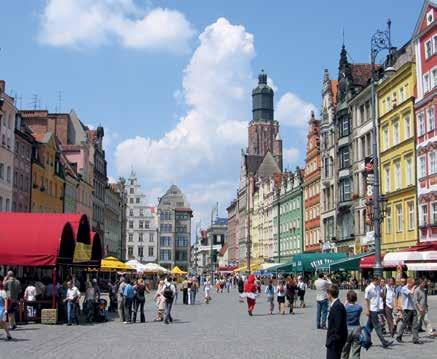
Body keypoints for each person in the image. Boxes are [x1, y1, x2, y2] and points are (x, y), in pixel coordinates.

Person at [364, 277, 392, 348]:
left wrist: (382, 291)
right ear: (374, 280)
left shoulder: (378, 287)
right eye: (379, 281)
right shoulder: (368, 288)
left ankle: (367, 341)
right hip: (372, 309)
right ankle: (384, 342)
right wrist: (367, 310)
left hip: (376, 309)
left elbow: (381, 295)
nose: (380, 282)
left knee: (368, 327)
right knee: (377, 326)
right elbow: (366, 300)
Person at [396, 277, 421, 344]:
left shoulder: (412, 288)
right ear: (409, 283)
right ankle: (399, 336)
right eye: (412, 283)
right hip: (406, 309)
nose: (413, 285)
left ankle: (415, 339)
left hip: (413, 308)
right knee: (405, 323)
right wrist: (414, 287)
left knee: (415, 324)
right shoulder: (404, 288)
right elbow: (411, 293)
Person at [326, 284, 347, 359]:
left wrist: (332, 340)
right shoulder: (335, 305)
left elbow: (338, 327)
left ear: (330, 294)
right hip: (334, 341)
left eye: (327, 293)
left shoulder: (337, 307)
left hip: (335, 343)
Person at [341, 290, 362, 359]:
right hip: (356, 329)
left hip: (346, 329)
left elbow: (341, 310)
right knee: (356, 351)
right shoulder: (359, 308)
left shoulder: (345, 308)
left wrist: (345, 303)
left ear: (347, 298)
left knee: (344, 351)